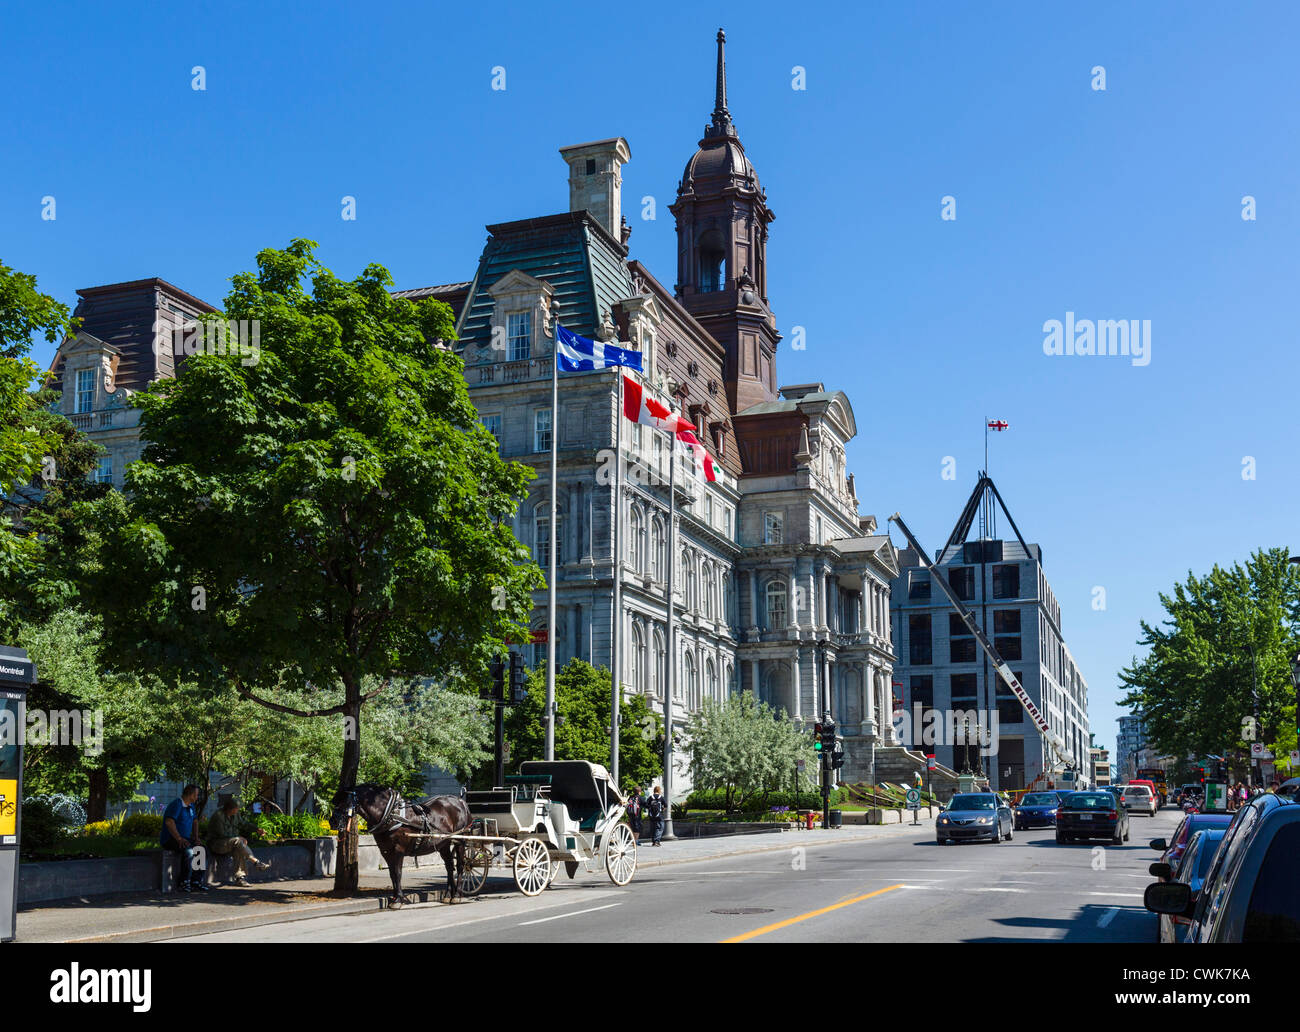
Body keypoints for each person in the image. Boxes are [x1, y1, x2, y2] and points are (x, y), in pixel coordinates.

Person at [206, 800, 271, 886]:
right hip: (217, 844)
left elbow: (244, 824)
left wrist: (257, 829)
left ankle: (240, 878)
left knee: (239, 847)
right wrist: (238, 838)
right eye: (236, 809)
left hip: (231, 843)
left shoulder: (235, 815)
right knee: (238, 841)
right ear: (230, 809)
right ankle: (256, 862)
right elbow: (222, 834)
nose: (238, 811)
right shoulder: (218, 816)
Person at [160, 785, 208, 892]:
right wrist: (179, 838)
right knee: (190, 852)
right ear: (190, 795)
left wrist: (196, 838)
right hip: (171, 839)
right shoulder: (176, 804)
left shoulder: (191, 806)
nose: (197, 797)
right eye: (196, 795)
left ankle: (196, 881)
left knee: (201, 849)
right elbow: (169, 822)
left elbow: (195, 821)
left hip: (185, 838)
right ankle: (184, 882)